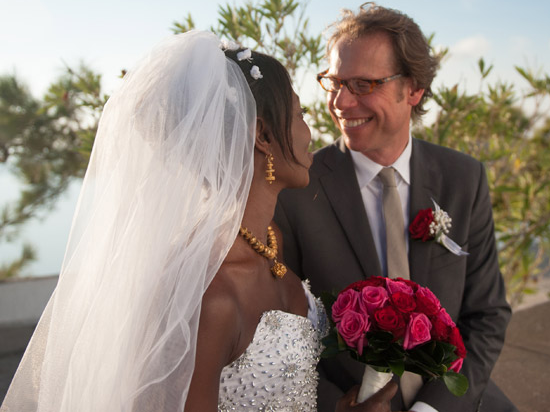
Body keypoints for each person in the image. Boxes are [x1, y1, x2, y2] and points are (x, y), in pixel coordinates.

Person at [0, 30, 396, 411]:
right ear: (262, 134)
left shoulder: (268, 243)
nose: (311, 132)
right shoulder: (210, 294)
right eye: (300, 113)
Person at [275, 4, 516, 412]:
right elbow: (276, 334)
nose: (341, 103)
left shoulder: (463, 178)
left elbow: (487, 314)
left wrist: (431, 409)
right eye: (333, 82)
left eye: (363, 85)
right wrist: (339, 406)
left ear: (414, 89)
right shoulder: (296, 190)